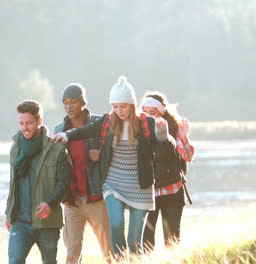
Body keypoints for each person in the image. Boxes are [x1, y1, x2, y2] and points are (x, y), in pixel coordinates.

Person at [53, 76, 177, 257]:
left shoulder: (146, 123)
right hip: (113, 183)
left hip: (140, 186)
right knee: (116, 224)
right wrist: (66, 135)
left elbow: (169, 151)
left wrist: (163, 135)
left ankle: (133, 259)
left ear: (132, 105)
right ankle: (120, 260)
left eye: (123, 106)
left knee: (135, 242)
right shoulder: (107, 122)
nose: (119, 111)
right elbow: (84, 131)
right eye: (115, 106)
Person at [5, 100, 71, 264]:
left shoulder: (56, 148)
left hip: (47, 223)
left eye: (29, 123)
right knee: (14, 261)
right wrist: (9, 213)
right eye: (21, 123)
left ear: (39, 121)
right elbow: (13, 183)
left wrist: (50, 203)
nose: (24, 128)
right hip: (20, 221)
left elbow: (64, 183)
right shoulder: (16, 148)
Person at [54, 83, 113, 263]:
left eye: (72, 102)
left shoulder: (98, 124)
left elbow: (113, 151)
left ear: (82, 103)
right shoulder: (59, 130)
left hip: (97, 198)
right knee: (72, 254)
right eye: (65, 103)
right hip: (72, 201)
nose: (68, 107)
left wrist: (101, 155)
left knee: (109, 251)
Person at [140, 92, 195, 250]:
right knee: (146, 240)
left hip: (173, 190)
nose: (149, 117)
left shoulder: (173, 130)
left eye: (153, 113)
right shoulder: (138, 132)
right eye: (145, 113)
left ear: (161, 113)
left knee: (172, 239)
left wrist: (183, 137)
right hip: (148, 193)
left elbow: (188, 156)